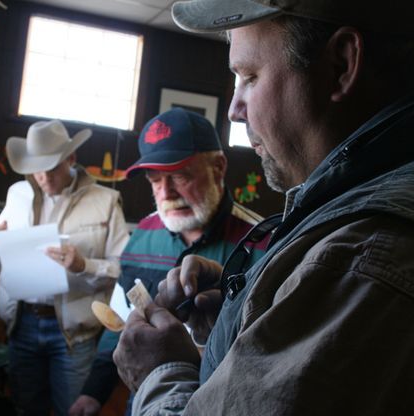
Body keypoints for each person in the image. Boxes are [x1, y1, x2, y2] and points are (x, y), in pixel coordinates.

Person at [113, 0, 414, 415]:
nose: (235, 109)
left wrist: (162, 374)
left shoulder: (366, 259)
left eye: (249, 76)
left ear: (341, 63)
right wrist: (246, 309)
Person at [68, 108, 271, 416]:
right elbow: (120, 322)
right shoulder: (141, 237)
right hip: (146, 400)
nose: (167, 193)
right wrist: (93, 393)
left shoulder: (263, 243)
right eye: (155, 180)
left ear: (218, 167)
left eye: (180, 176)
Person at [0, 120, 130, 416]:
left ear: (71, 159)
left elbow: (122, 269)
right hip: (21, 322)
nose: (43, 177)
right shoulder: (17, 194)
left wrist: (83, 264)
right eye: (37, 169)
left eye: (52, 168)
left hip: (74, 333)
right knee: (24, 408)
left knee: (73, 411)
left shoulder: (106, 201)